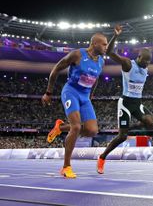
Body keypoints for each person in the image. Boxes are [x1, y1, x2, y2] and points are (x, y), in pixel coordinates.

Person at [42, 32, 107, 178]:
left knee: (92, 131)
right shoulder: (77, 55)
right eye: (104, 44)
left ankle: (60, 127)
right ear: (94, 43)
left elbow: (95, 79)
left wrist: (91, 95)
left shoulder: (101, 61)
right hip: (71, 91)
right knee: (76, 126)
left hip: (85, 96)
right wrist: (48, 92)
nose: (106, 47)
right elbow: (56, 69)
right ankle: (66, 167)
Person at [97, 25, 153, 174]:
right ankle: (102, 157)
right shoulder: (128, 64)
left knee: (150, 123)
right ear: (139, 57)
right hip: (126, 103)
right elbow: (109, 52)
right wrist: (115, 36)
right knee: (122, 137)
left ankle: (129, 126)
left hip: (137, 103)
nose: (147, 64)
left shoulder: (145, 68)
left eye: (149, 62)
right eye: (145, 61)